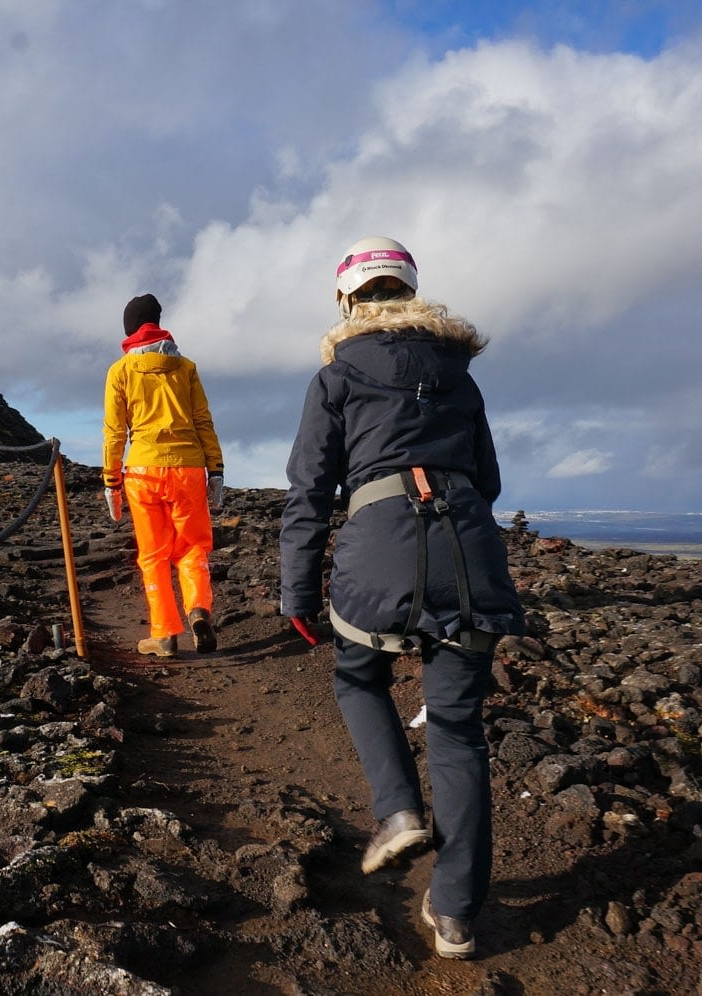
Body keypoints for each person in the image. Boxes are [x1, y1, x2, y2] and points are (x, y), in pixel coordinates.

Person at [279, 236, 526, 959]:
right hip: (471, 552)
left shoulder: (337, 374)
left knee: (358, 676)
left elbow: (309, 491)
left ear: (347, 299)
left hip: (377, 554)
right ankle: (455, 914)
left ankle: (396, 812)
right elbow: (488, 478)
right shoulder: (461, 375)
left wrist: (296, 589)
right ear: (411, 290)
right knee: (457, 731)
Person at [103, 293, 225, 657]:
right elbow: (203, 420)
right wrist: (215, 469)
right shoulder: (186, 368)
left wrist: (111, 481)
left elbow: (114, 432)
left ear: (130, 330)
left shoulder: (120, 371)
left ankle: (165, 635)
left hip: (142, 471)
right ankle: (199, 610)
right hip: (188, 468)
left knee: (153, 555)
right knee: (192, 548)